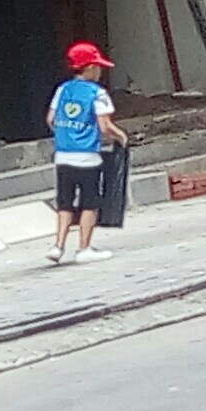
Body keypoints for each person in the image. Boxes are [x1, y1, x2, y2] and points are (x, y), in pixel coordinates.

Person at [45, 41, 128, 265]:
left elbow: (51, 119)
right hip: (87, 157)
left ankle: (58, 245)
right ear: (90, 67)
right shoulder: (97, 94)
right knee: (89, 203)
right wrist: (121, 136)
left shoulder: (63, 89)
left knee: (65, 203)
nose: (100, 71)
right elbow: (104, 127)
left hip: (63, 156)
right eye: (98, 66)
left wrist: (66, 135)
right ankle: (84, 248)